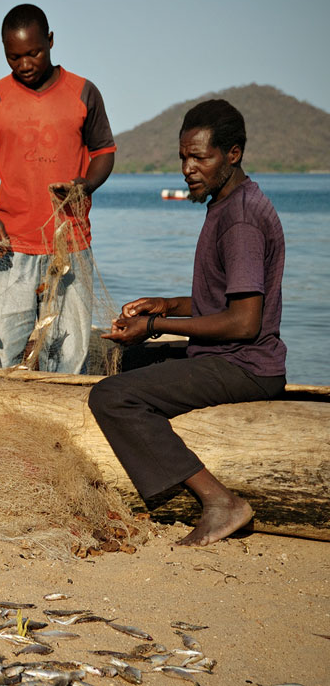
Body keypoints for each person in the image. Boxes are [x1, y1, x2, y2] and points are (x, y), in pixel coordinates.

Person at [89, 100, 285, 546]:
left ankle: (220, 502)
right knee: (127, 358)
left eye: (201, 157)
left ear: (233, 154)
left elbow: (243, 323)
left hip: (246, 364)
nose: (188, 168)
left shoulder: (239, 219)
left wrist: (158, 325)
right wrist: (168, 304)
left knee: (112, 397)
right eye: (183, 157)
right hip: (231, 354)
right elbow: (223, 299)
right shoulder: (229, 201)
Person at [0, 4, 116, 374]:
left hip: (71, 242)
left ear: (50, 41)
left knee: (68, 352)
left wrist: (87, 184)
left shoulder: (84, 92)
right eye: (13, 56)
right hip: (9, 244)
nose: (25, 63)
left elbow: (104, 154)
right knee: (1, 349)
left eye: (33, 52)